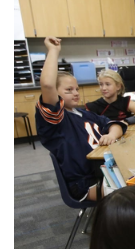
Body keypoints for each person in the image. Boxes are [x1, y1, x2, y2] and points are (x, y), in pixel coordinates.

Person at [36, 38, 126, 201]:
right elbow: (48, 85)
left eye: (77, 89)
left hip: (106, 171)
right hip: (86, 183)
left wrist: (111, 134)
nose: (76, 93)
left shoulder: (85, 114)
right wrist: (54, 50)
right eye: (69, 90)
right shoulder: (56, 120)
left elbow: (115, 124)